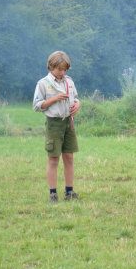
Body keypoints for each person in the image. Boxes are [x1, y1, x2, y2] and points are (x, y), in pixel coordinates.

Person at [33, 50, 82, 202]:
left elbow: (76, 98)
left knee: (69, 157)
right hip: (54, 124)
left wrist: (78, 105)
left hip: (68, 122)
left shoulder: (69, 82)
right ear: (51, 66)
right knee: (53, 159)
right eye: (59, 69)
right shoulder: (43, 84)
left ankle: (69, 192)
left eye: (65, 69)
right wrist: (54, 99)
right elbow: (36, 106)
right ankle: (53, 194)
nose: (62, 72)